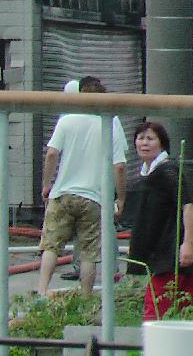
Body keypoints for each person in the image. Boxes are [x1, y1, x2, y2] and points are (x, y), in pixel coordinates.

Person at [37, 75, 128, 295]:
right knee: (89, 252)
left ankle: (41, 292)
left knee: (51, 246)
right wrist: (121, 198)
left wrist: (46, 184)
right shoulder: (110, 123)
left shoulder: (67, 120)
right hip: (94, 198)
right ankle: (86, 298)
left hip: (63, 193)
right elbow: (120, 166)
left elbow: (51, 154)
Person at [126, 120, 193, 320]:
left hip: (171, 253)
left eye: (150, 138)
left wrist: (188, 243)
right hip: (161, 254)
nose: (144, 143)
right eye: (140, 138)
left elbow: (188, 205)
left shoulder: (168, 170)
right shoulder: (149, 173)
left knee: (156, 310)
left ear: (162, 143)